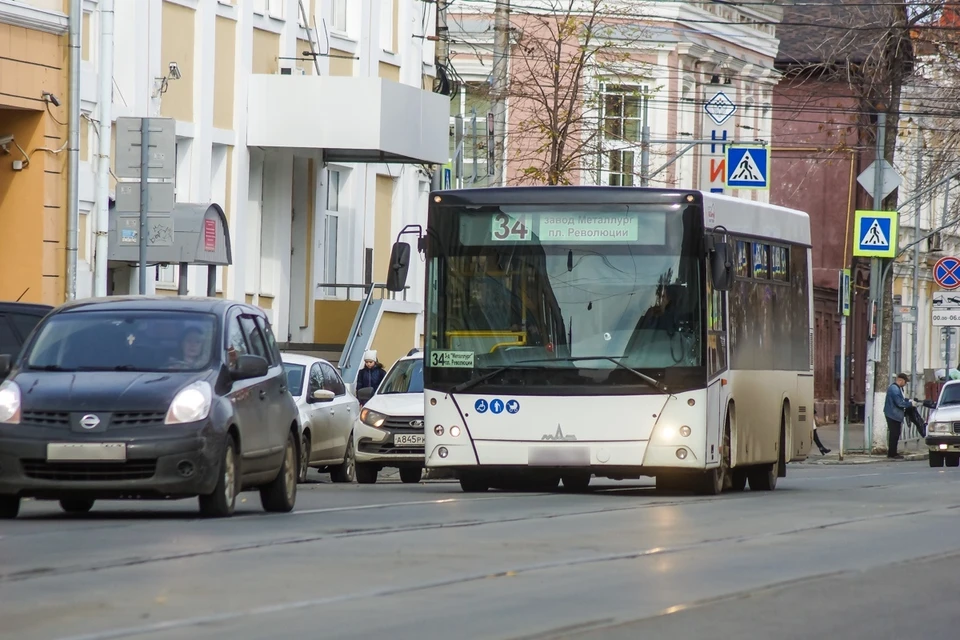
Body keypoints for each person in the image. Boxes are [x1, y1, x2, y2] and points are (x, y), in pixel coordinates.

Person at [883, 373, 914, 459]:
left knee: (896, 434)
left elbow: (902, 400)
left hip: (895, 414)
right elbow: (899, 403)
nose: (905, 384)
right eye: (905, 382)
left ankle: (893, 452)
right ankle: (892, 453)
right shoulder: (894, 389)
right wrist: (910, 404)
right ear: (901, 380)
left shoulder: (899, 389)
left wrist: (908, 401)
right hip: (892, 415)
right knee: (894, 434)